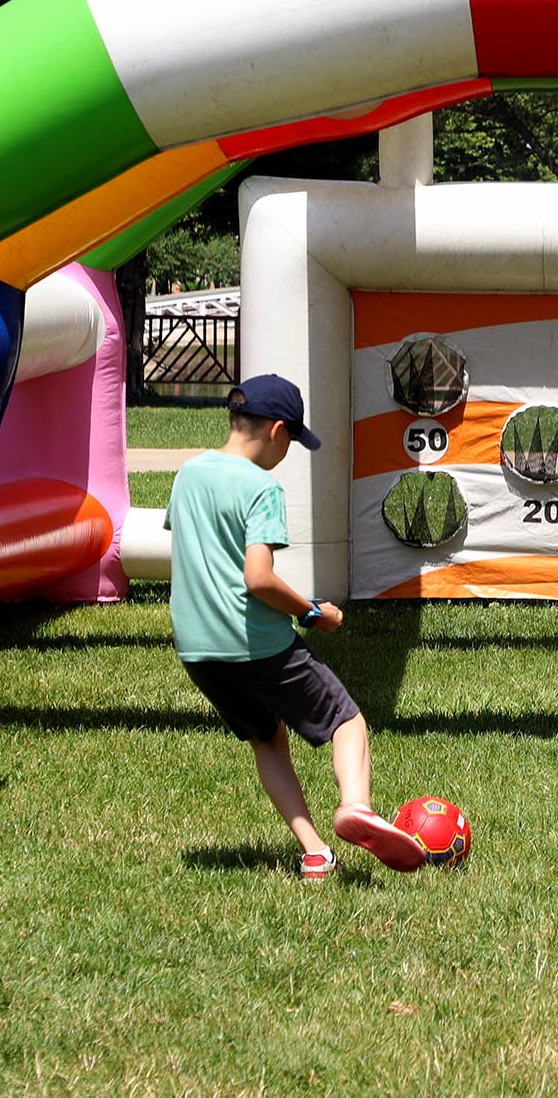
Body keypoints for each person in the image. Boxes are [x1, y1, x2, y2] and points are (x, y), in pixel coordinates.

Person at [166, 374, 422, 881]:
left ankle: (314, 852)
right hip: (255, 644)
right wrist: (311, 612)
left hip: (197, 650)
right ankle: (357, 807)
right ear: (279, 431)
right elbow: (257, 578)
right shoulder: (262, 487)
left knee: (268, 739)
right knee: (346, 722)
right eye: (293, 442)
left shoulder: (188, 474)